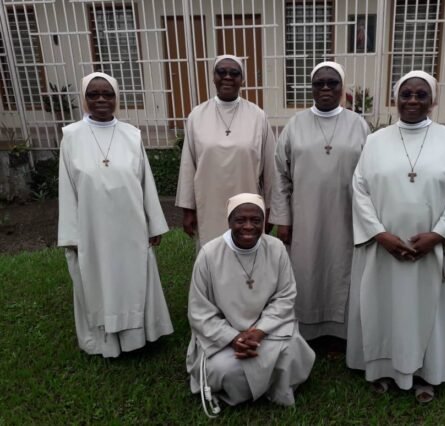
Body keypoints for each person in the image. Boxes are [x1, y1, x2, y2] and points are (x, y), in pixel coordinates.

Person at [347, 70, 445, 403]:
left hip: (431, 249)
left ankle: (428, 374)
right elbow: (359, 190)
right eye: (406, 94)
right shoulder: (375, 141)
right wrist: (379, 234)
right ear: (396, 98)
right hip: (384, 247)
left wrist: (438, 235)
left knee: (430, 313)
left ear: (433, 100)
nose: (412, 100)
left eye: (421, 94)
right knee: (383, 308)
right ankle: (384, 370)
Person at [58, 72, 173, 358]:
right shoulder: (71, 137)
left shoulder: (132, 135)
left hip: (131, 227)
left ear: (116, 97)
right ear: (84, 98)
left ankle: (139, 338)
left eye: (107, 94)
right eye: (93, 94)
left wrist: (153, 224)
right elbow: (67, 189)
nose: (101, 99)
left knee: (134, 277)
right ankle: (106, 342)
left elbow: (145, 182)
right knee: (99, 281)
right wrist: (71, 235)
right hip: (92, 230)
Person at [270, 62, 370, 343]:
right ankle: (306, 331)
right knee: (306, 270)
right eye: (319, 83)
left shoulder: (359, 125)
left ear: (342, 87)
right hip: (305, 217)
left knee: (341, 269)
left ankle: (340, 332)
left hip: (347, 217)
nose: (325, 88)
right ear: (311, 88)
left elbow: (371, 175)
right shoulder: (295, 125)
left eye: (332, 83)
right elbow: (280, 174)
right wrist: (283, 219)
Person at [186, 193, 315, 411]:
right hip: (223, 336)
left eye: (256, 220)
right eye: (240, 220)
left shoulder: (276, 248)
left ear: (264, 221)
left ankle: (262, 388)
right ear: (229, 221)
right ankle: (266, 386)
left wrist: (259, 331)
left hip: (268, 330)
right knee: (223, 369)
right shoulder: (209, 254)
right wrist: (233, 338)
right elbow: (199, 311)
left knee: (292, 350)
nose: (248, 226)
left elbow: (285, 296)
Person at [176, 55, 276, 247]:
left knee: (248, 252)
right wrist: (188, 210)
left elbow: (270, 168)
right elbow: (188, 166)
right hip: (209, 203)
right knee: (212, 252)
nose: (227, 77)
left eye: (234, 73)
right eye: (221, 72)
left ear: (242, 79)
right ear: (213, 77)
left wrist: (270, 209)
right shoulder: (197, 115)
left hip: (248, 204)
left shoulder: (257, 116)